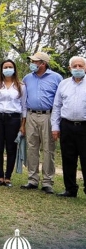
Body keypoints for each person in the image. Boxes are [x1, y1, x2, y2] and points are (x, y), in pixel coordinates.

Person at [20, 51, 62, 194]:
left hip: (48, 116)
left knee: (48, 148)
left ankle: (47, 182)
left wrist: (57, 122)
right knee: (32, 148)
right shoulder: (27, 78)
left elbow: (60, 101)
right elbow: (23, 99)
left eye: (35, 62)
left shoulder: (56, 78)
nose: (32, 64)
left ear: (43, 63)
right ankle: (32, 179)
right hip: (31, 115)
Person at [0, 60, 26, 187]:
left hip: (13, 119)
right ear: (1, 70)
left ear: (14, 69)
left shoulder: (21, 86)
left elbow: (24, 106)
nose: (8, 69)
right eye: (5, 67)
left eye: (10, 67)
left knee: (11, 148)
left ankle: (8, 177)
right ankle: (0, 176)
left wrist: (23, 125)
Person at [51, 56, 86, 198]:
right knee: (68, 158)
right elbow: (57, 106)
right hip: (67, 126)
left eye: (81, 66)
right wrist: (55, 127)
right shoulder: (63, 84)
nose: (78, 68)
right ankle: (70, 189)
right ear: (69, 68)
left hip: (84, 127)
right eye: (75, 66)